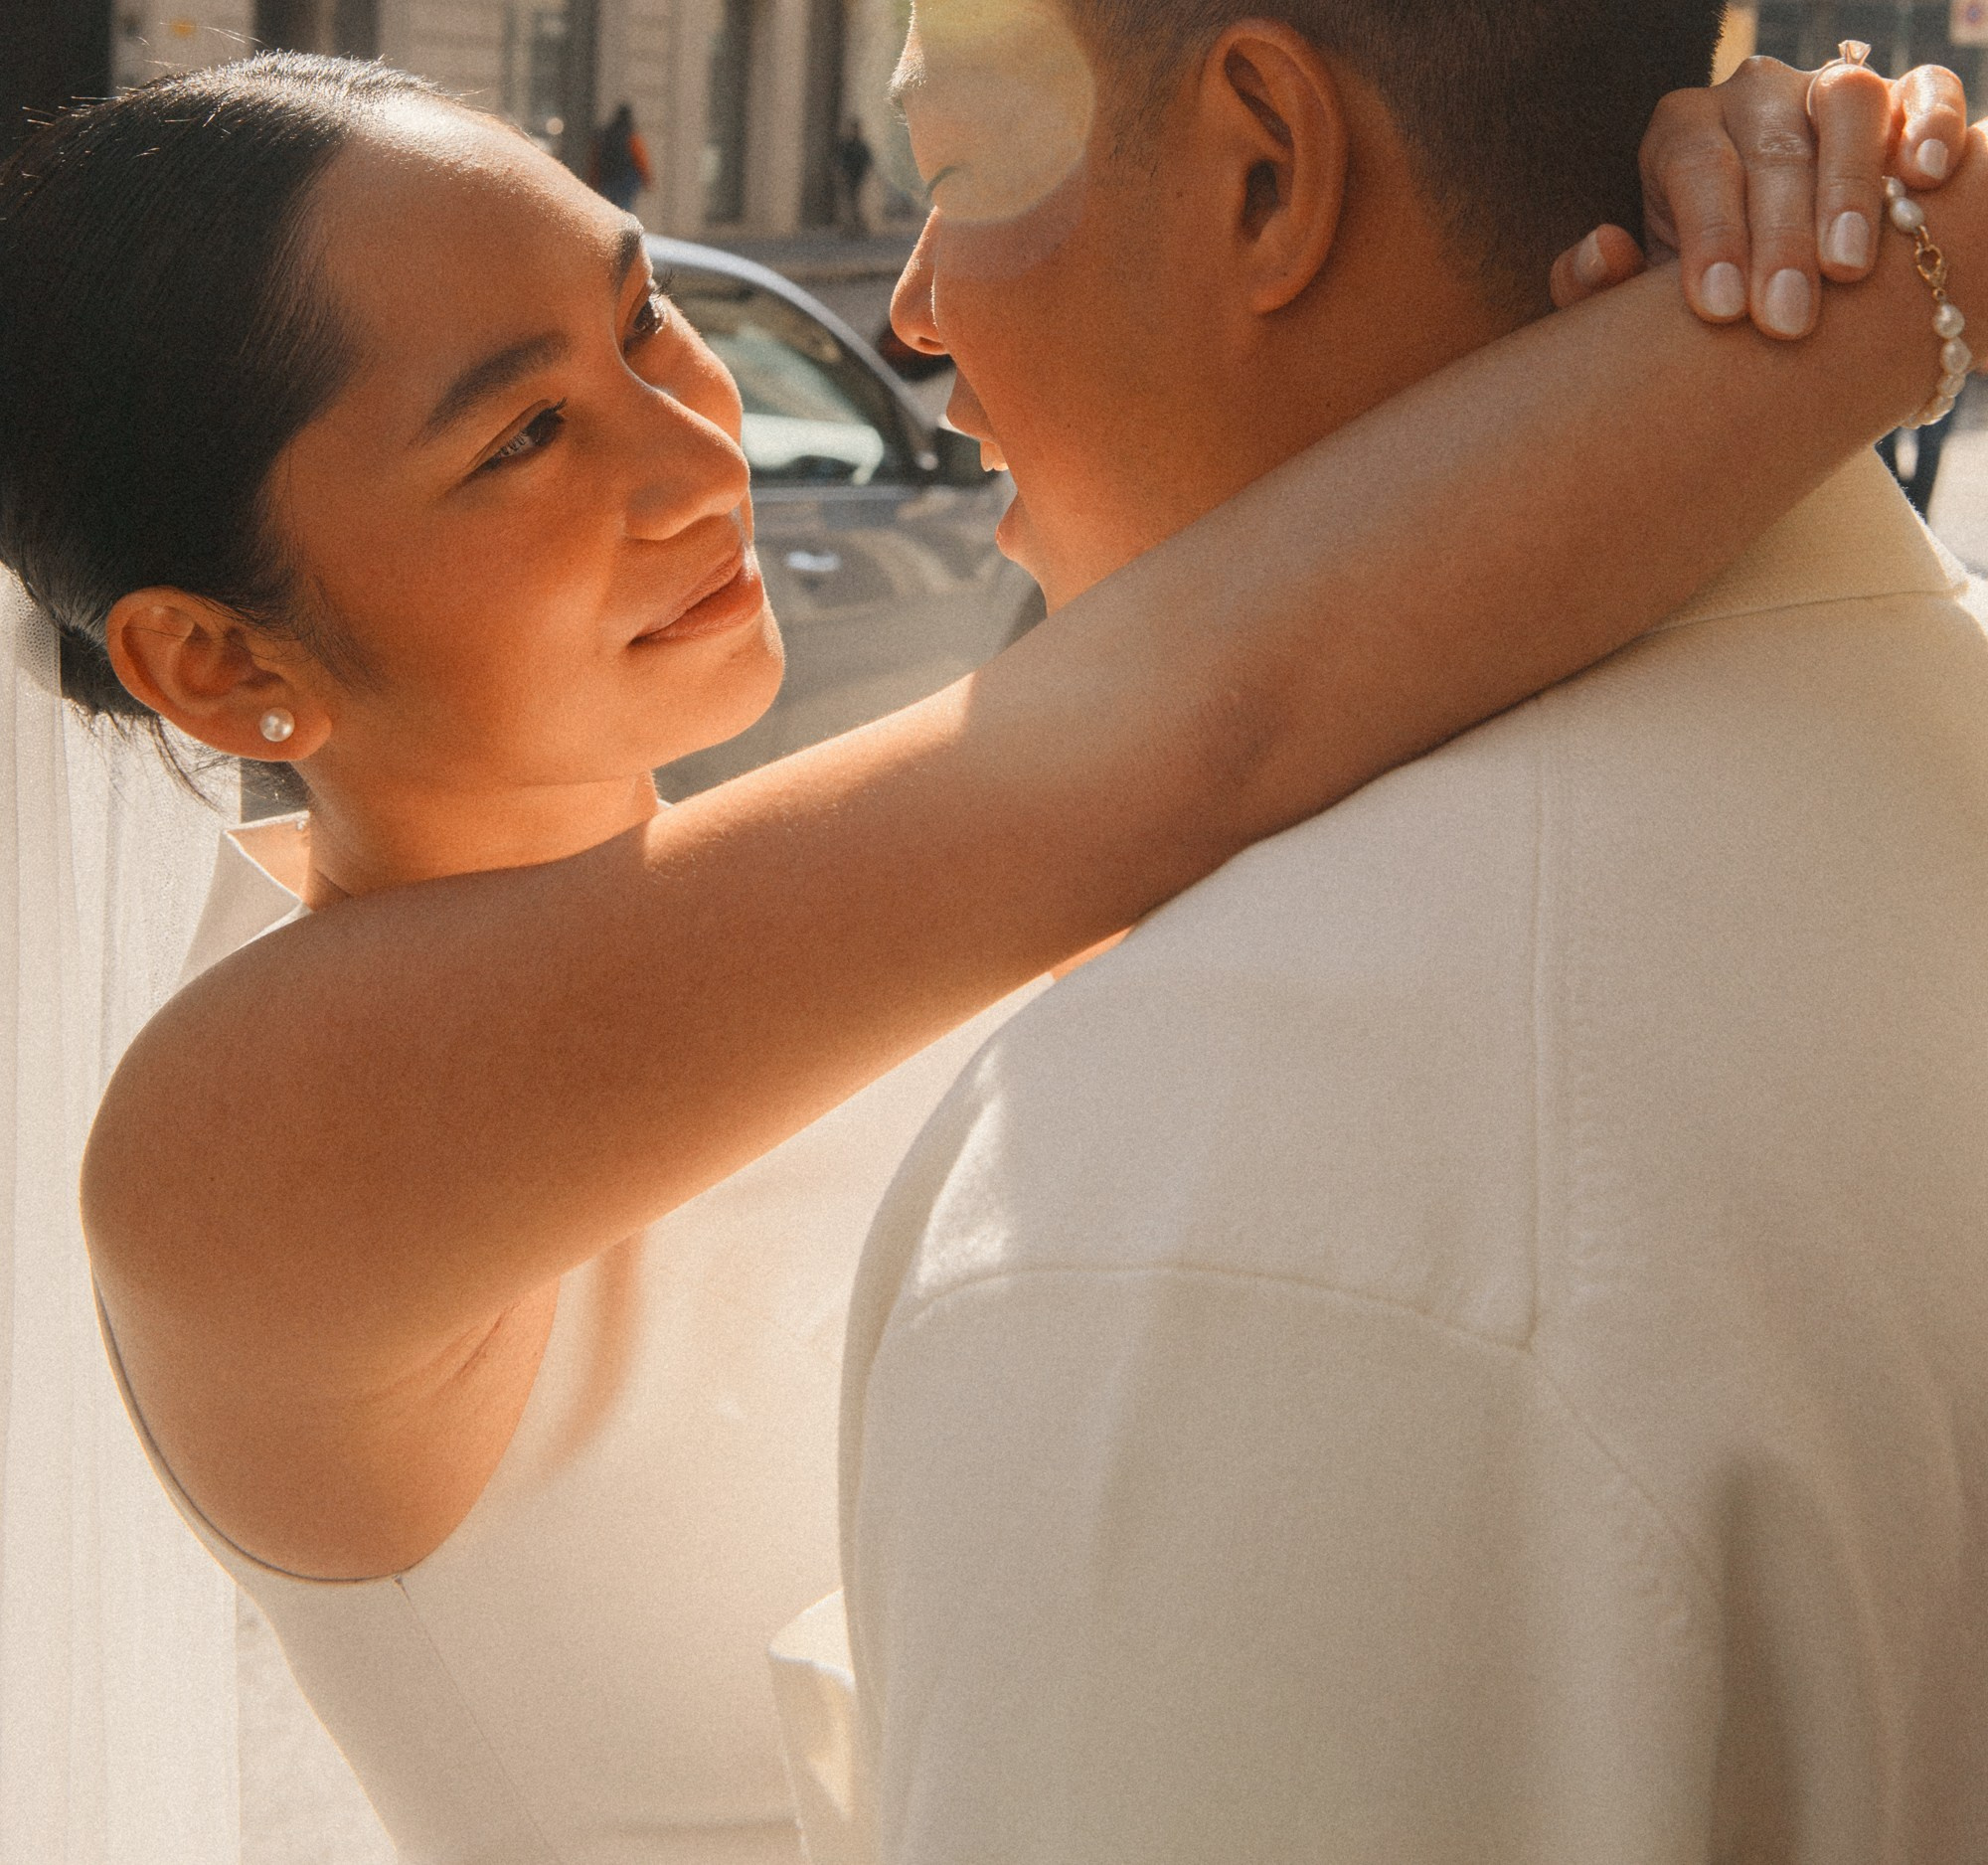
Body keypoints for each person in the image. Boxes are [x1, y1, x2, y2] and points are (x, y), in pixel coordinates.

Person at [0, 44, 1968, 1865]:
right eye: (521, 435)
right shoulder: (234, 1145)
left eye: (641, 323)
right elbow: (1224, 704)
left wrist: (1699, 190)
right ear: (220, 660)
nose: (704, 461)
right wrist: (1893, 272)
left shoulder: (871, 902)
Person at [824, 9, 1988, 1863]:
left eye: (951, 175)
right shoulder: (1905, 699)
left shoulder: (1216, 1212)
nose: (913, 305)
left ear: (1265, 170)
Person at [590, 99, 652, 213]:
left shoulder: (606, 134)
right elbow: (640, 158)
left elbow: (596, 158)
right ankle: (623, 227)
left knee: (608, 206)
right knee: (625, 205)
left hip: (608, 176)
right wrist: (647, 179)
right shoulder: (631, 135)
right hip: (627, 178)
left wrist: (593, 179)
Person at [837, 117, 875, 236]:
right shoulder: (847, 145)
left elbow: (868, 161)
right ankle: (851, 227)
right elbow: (841, 161)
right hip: (849, 177)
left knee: (855, 203)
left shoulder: (860, 146)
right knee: (850, 203)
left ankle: (857, 226)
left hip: (857, 178)